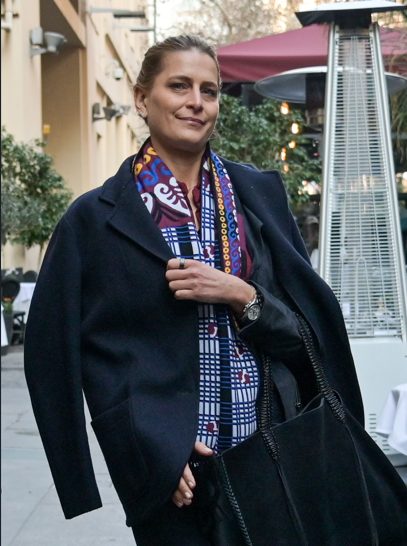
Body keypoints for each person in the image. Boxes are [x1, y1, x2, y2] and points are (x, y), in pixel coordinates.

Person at [24, 35, 364, 546]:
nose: (196, 102)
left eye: (210, 90)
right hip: (172, 478)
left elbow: (306, 332)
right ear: (142, 98)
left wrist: (240, 294)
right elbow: (53, 354)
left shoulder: (258, 197)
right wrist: (144, 454)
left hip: (268, 450)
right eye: (179, 86)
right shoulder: (93, 220)